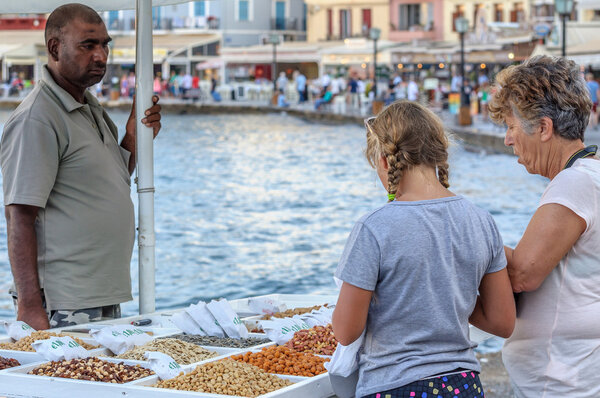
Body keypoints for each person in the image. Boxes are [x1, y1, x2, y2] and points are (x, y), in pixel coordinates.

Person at [332, 101, 515, 398]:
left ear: (384, 162)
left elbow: (345, 331)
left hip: (395, 386)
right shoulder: (482, 221)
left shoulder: (374, 227)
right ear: (439, 154)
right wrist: (447, 297)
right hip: (463, 385)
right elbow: (502, 322)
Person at [0, 3, 162, 330]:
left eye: (105, 44)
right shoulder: (38, 118)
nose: (101, 55)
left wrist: (133, 135)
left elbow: (111, 180)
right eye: (88, 45)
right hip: (65, 302)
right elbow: (19, 214)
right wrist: (31, 307)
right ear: (55, 48)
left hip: (99, 293)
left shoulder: (89, 107)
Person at [488, 55, 600, 397]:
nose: (508, 139)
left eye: (510, 126)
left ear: (544, 128)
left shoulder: (575, 183)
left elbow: (523, 274)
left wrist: (465, 233)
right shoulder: (590, 176)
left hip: (564, 382)